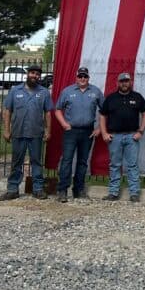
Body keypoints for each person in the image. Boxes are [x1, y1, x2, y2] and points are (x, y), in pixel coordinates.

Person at [0, 64, 53, 201]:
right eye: (32, 73)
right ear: (27, 74)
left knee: (36, 162)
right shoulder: (15, 90)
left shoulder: (44, 92)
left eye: (37, 74)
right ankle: (12, 189)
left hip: (36, 133)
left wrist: (48, 130)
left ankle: (38, 189)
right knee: (16, 162)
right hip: (18, 132)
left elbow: (48, 113)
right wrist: (6, 130)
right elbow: (7, 111)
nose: (34, 76)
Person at [54, 66, 104, 203]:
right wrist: (64, 124)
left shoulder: (96, 92)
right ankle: (62, 190)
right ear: (76, 77)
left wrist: (99, 128)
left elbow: (104, 111)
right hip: (71, 131)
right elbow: (57, 109)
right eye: (80, 76)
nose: (82, 79)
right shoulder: (67, 91)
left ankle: (78, 190)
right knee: (67, 160)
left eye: (85, 76)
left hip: (88, 131)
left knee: (82, 162)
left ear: (88, 78)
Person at [98, 72, 145, 203]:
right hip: (115, 137)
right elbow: (103, 116)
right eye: (122, 81)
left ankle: (134, 193)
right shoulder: (111, 98)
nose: (124, 84)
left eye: (126, 81)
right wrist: (104, 133)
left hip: (132, 136)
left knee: (132, 165)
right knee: (115, 165)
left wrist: (141, 131)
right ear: (118, 83)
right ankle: (113, 192)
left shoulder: (137, 97)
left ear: (130, 82)